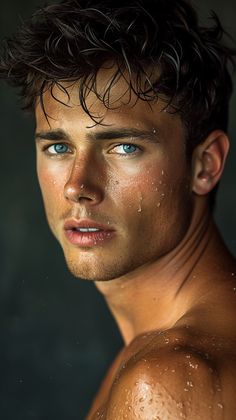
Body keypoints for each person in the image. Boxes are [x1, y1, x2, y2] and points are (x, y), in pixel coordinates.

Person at [1, 0, 236, 418]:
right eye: (58, 146)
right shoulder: (157, 347)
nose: (78, 186)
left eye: (124, 147)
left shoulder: (166, 383)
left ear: (205, 165)